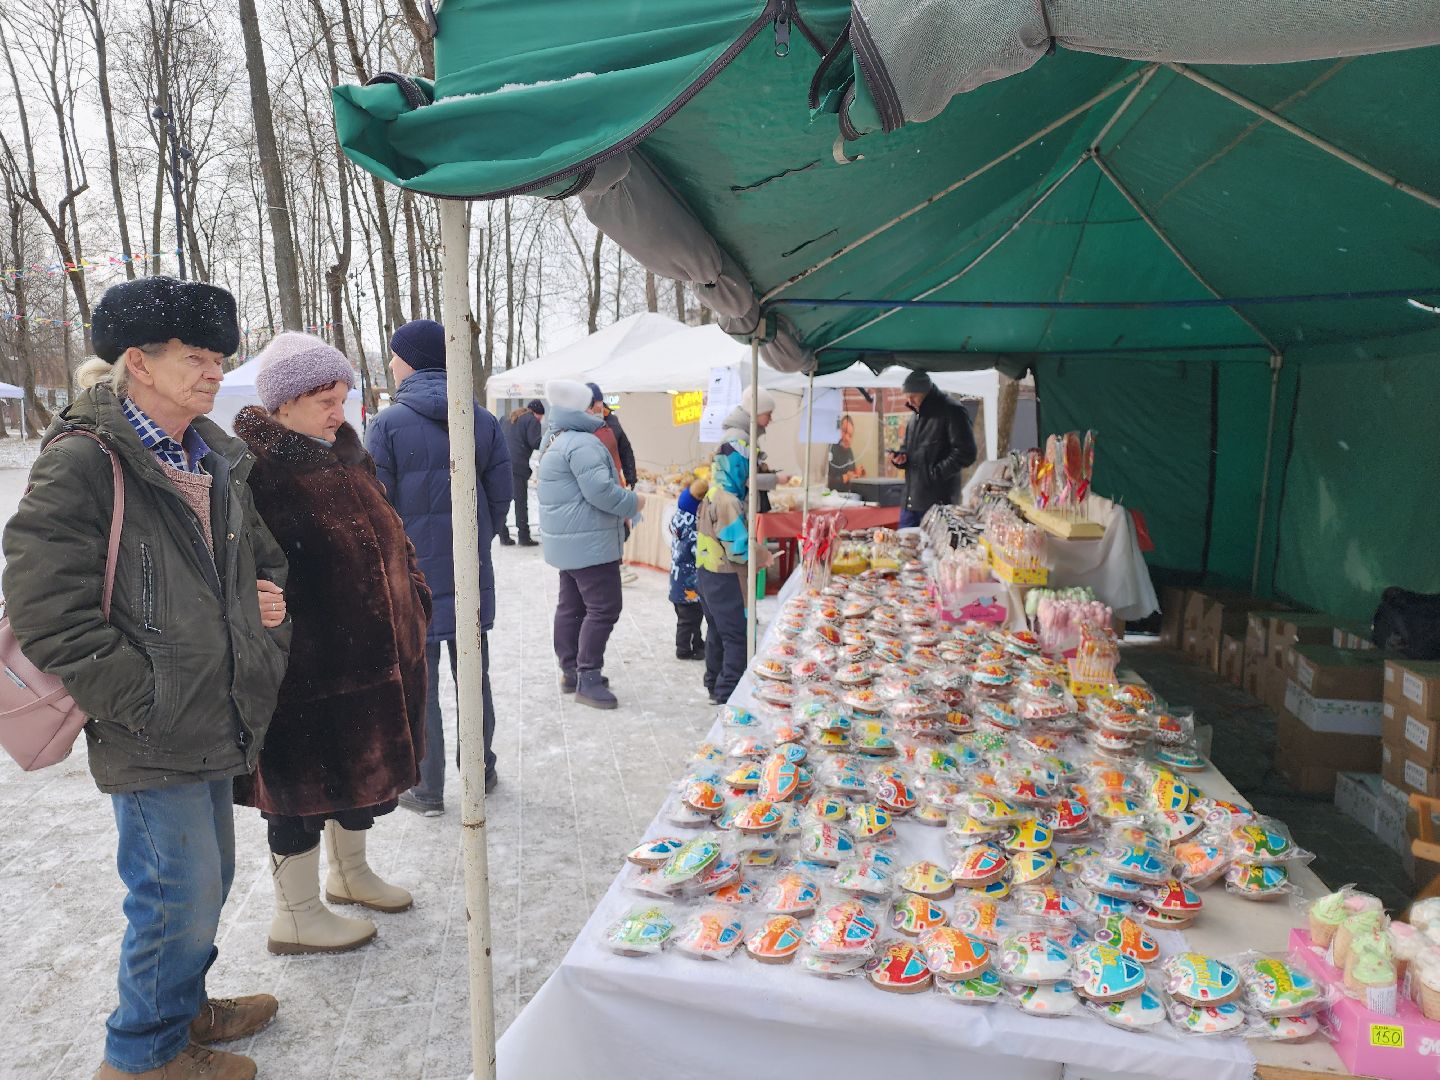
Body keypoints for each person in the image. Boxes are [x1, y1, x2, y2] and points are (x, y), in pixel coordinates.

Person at [2, 276, 291, 1080]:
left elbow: (259, 560)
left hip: (214, 711)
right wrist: (141, 698)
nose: (213, 372)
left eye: (218, 357)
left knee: (207, 881)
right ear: (138, 362)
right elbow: (42, 602)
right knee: (173, 895)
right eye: (195, 357)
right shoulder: (86, 461)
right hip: (152, 723)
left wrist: (266, 603)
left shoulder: (213, 453)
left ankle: (182, 1006)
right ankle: (142, 1058)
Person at [233, 332, 432, 957]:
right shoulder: (258, 471)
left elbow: (389, 535)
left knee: (362, 775)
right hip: (309, 671)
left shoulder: (346, 454)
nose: (336, 411)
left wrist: (415, 595)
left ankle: (351, 875)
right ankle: (294, 913)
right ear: (283, 403)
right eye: (322, 398)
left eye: (342, 397)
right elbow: (245, 569)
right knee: (301, 791)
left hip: (375, 658)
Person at [365, 318, 512, 814]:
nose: (389, 363)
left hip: (413, 582)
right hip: (470, 578)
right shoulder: (482, 420)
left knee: (419, 686)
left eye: (394, 354)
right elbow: (499, 501)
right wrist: (470, 545)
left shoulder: (385, 425)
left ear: (412, 361)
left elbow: (377, 510)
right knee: (475, 678)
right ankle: (482, 770)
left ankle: (426, 789)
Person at [537, 378, 643, 709]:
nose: (598, 408)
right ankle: (588, 677)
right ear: (583, 408)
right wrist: (633, 503)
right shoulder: (583, 443)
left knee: (571, 606)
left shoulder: (556, 439)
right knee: (604, 607)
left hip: (571, 544)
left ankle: (571, 670)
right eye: (592, 404)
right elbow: (601, 492)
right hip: (590, 544)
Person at [696, 392, 788, 704]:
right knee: (738, 636)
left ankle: (714, 684)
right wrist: (762, 555)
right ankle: (729, 694)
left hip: (709, 573)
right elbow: (739, 550)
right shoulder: (728, 501)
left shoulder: (713, 492)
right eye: (746, 467)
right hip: (725, 576)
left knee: (719, 633)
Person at [891, 370, 977, 528]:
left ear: (926, 392)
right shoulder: (915, 416)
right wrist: (901, 458)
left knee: (933, 550)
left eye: (914, 396)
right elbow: (909, 450)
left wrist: (935, 474)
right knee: (904, 548)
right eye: (907, 396)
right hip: (911, 501)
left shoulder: (952, 410)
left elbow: (966, 452)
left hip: (938, 502)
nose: (909, 401)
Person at [669, 475, 707, 661]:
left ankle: (697, 643)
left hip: (677, 582)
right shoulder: (693, 530)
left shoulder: (679, 522)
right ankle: (684, 649)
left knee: (687, 618)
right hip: (689, 585)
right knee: (690, 619)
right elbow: (699, 552)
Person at [500, 398, 544, 546]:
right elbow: (536, 442)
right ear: (536, 413)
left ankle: (503, 535)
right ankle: (524, 537)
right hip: (517, 466)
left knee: (504, 500)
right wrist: (550, 441)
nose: (540, 420)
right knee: (520, 502)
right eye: (541, 417)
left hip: (502, 463)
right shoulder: (531, 420)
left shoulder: (507, 418)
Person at [827, 413, 866, 489]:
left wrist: (857, 473)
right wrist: (845, 478)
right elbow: (826, 481)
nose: (847, 438)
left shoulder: (849, 451)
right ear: (838, 429)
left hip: (848, 496)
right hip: (833, 497)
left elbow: (850, 474)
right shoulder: (831, 449)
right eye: (844, 432)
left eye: (850, 435)